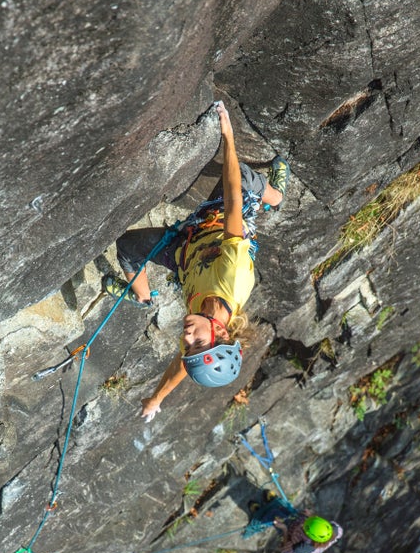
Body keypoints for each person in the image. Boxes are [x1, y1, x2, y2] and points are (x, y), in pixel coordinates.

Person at [104, 101, 290, 420]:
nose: (187, 337)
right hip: (218, 224)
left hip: (185, 254)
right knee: (244, 176)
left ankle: (144, 297)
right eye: (197, 342)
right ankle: (276, 196)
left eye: (189, 346)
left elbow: (180, 366)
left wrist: (156, 399)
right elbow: (232, 199)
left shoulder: (202, 329)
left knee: (126, 246)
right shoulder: (233, 279)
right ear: (221, 334)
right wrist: (228, 138)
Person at [274, 513, 343, 553]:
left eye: (304, 526)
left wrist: (284, 529)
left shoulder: (301, 549)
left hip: (293, 541)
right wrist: (311, 515)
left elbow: (285, 550)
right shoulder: (335, 529)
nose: (303, 523)